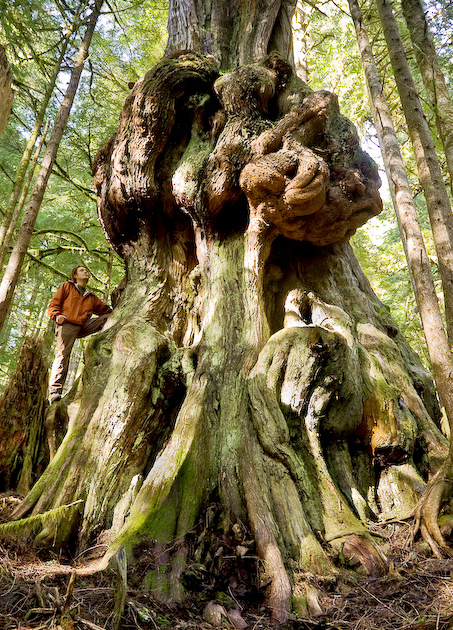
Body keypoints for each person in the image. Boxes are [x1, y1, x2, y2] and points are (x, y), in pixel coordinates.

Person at [47, 265, 112, 403]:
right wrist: (57, 316)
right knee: (63, 355)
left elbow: (105, 311)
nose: (86, 272)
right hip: (67, 325)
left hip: (83, 326)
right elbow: (53, 304)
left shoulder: (91, 297)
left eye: (86, 270)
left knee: (106, 319)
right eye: (82, 270)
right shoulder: (67, 287)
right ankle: (54, 391)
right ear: (75, 275)